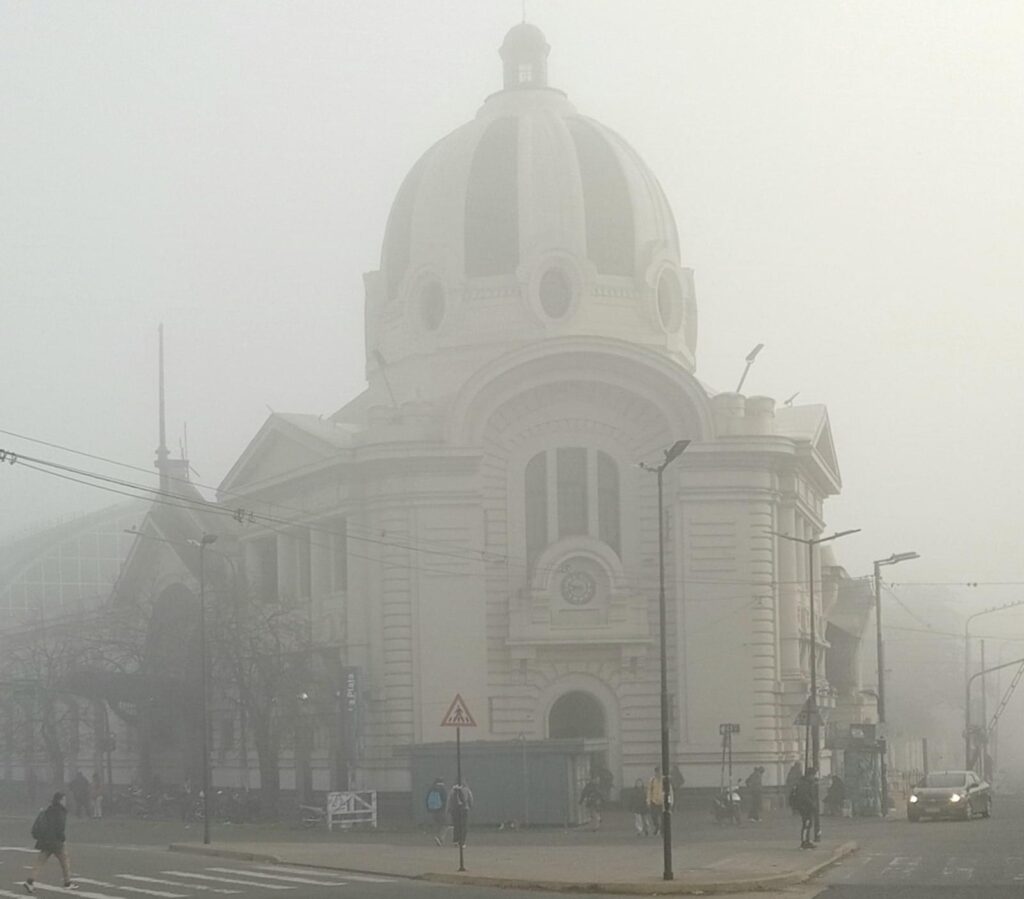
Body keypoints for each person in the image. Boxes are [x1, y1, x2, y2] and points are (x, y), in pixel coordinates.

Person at [24, 791, 78, 893]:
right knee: (65, 861)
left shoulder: (49, 810)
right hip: (56, 842)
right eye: (64, 799)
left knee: (40, 862)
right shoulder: (61, 811)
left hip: (45, 840)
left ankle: (30, 881)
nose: (65, 801)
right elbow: (60, 828)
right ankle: (67, 883)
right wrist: (62, 839)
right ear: (60, 800)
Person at [789, 766, 817, 849]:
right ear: (810, 775)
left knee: (808, 824)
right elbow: (805, 796)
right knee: (806, 824)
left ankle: (807, 841)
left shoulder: (805, 782)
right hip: (805, 807)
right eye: (813, 775)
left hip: (805, 806)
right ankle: (804, 842)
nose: (814, 777)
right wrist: (812, 804)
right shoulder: (804, 784)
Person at [447, 780, 473, 848]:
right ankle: (462, 842)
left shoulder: (452, 790)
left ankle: (455, 841)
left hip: (455, 810)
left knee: (456, 826)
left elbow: (449, 800)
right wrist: (469, 806)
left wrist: (449, 809)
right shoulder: (466, 790)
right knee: (464, 826)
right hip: (464, 810)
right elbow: (470, 799)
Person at [646, 767, 671, 835]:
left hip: (662, 802)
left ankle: (662, 830)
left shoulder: (665, 780)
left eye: (659, 772)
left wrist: (669, 801)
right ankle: (656, 826)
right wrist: (648, 801)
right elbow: (649, 791)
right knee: (653, 816)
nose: (658, 774)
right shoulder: (652, 780)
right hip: (654, 801)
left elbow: (669, 792)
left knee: (663, 817)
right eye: (657, 772)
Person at [425, 778, 449, 846]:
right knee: (445, 824)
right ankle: (440, 837)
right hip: (441, 810)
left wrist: (429, 809)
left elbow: (427, 799)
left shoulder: (431, 789)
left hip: (433, 810)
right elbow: (445, 799)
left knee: (438, 824)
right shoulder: (443, 789)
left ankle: (437, 836)